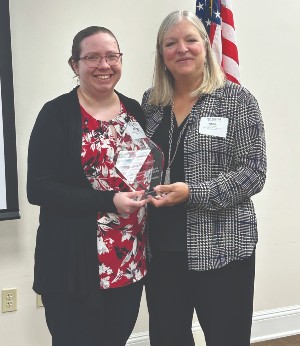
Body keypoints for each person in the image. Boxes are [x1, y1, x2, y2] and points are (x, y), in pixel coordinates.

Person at [142, 10, 267, 346]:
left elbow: (254, 172)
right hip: (162, 251)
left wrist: (192, 192)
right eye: (171, 43)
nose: (181, 49)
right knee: (168, 339)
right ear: (162, 54)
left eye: (190, 40)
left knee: (227, 338)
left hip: (222, 249)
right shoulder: (151, 104)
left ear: (206, 47)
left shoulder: (238, 101)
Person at [27, 26, 148, 346]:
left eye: (111, 56)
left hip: (128, 260)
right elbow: (38, 188)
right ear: (74, 65)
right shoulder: (56, 114)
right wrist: (110, 200)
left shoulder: (134, 110)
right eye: (92, 57)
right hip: (74, 265)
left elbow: (144, 170)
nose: (104, 65)